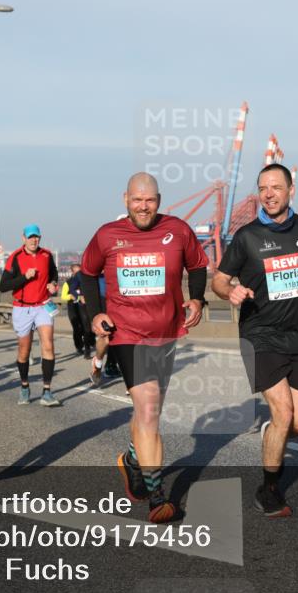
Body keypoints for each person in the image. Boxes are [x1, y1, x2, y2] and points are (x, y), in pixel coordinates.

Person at [81, 172, 209, 523]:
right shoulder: (108, 235)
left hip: (166, 333)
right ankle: (157, 497)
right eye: (137, 200)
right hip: (126, 334)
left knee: (148, 410)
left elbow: (198, 265)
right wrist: (96, 314)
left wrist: (197, 299)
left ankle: (133, 459)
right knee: (150, 410)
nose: (143, 206)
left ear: (159, 199)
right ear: (125, 199)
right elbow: (87, 273)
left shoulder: (178, 230)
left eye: (149, 200)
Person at [212, 163, 298, 517]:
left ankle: (272, 434)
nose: (269, 194)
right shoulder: (247, 237)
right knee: (284, 413)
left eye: (276, 187)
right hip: (259, 336)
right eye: (263, 188)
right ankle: (269, 490)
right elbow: (218, 280)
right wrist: (230, 291)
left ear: (291, 190)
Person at [0, 225, 62, 407]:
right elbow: (3, 286)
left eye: (37, 237)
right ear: (23, 239)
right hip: (22, 308)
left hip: (43, 306)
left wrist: (53, 283)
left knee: (48, 345)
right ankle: (25, 386)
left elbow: (54, 273)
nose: (34, 240)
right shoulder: (15, 257)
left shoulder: (47, 255)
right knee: (24, 351)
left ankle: (47, 391)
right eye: (30, 237)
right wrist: (25, 277)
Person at [61, 263, 94, 358]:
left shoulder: (85, 281)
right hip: (73, 308)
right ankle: (79, 347)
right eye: (77, 272)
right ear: (72, 272)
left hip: (83, 307)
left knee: (86, 327)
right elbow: (63, 296)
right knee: (77, 329)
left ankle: (87, 349)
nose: (79, 274)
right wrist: (70, 296)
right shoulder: (68, 282)